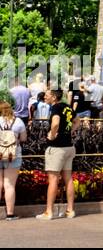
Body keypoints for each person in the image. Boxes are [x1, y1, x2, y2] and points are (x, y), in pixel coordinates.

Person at [36, 88, 77, 220]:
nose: (44, 97)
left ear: (54, 97)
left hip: (57, 148)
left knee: (53, 179)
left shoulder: (56, 108)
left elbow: (55, 123)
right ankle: (70, 210)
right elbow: (78, 121)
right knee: (68, 178)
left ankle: (49, 212)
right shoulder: (67, 107)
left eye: (47, 95)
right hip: (69, 147)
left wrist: (52, 135)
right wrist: (70, 132)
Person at [0, 99, 27, 219]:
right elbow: (24, 138)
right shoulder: (18, 121)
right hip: (13, 155)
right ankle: (10, 214)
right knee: (9, 185)